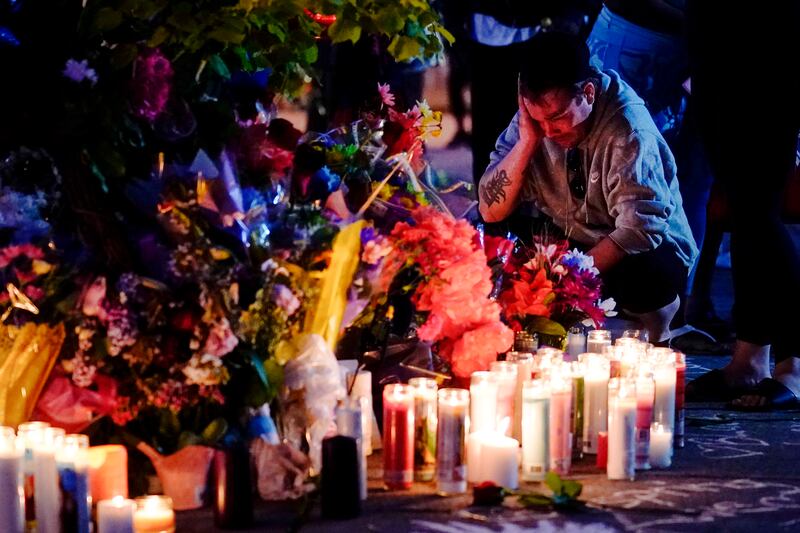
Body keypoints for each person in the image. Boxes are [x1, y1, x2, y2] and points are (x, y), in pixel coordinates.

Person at [478, 31, 697, 344]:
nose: (549, 131)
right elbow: (490, 210)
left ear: (589, 93)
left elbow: (640, 229)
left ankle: (660, 320)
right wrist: (527, 142)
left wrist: (564, 281)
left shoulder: (628, 130)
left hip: (643, 252)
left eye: (558, 118)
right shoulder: (535, 123)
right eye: (538, 121)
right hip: (573, 237)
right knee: (492, 238)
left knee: (640, 272)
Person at [685, 2, 800, 409]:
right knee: (744, 208)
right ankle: (750, 358)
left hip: (768, 42)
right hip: (718, 38)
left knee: (758, 209)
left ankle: (794, 364)